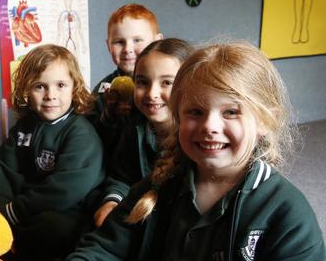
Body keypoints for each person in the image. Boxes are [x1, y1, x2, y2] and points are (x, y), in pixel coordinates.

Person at [67, 42, 326, 260]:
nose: (210, 126)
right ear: (177, 117)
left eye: (231, 112)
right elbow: (103, 248)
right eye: (196, 112)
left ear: (265, 121)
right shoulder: (157, 187)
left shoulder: (288, 213)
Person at [0, 44, 105, 260]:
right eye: (40, 86)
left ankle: (14, 246)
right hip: (24, 203)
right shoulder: (23, 127)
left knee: (54, 227)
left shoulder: (80, 133)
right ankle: (1, 238)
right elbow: (4, 170)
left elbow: (64, 190)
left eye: (60, 85)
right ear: (26, 90)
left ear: (74, 87)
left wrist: (14, 212)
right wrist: (0, 212)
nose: (50, 95)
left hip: (66, 209)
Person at [93, 38, 194, 227]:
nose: (151, 93)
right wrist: (112, 201)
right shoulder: (135, 129)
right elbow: (122, 176)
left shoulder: (197, 138)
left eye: (167, 82)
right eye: (142, 82)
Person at [89, 4, 163, 156]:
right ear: (108, 46)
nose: (127, 49)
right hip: (116, 168)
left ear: (157, 41)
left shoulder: (171, 84)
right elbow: (91, 141)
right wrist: (109, 117)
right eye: (119, 42)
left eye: (137, 40)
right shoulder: (102, 91)